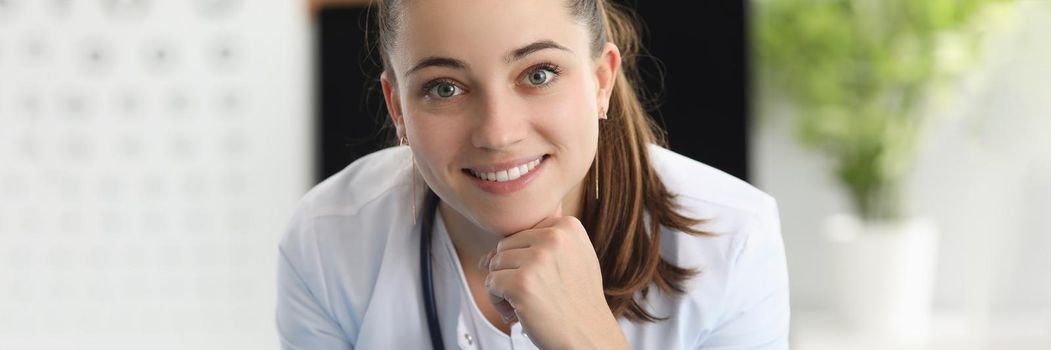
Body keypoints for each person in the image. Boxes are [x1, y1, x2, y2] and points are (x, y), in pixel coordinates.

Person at [276, 0, 790, 348]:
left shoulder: (733, 240)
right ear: (398, 110)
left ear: (601, 80)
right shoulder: (328, 241)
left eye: (538, 74)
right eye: (444, 88)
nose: (498, 133)